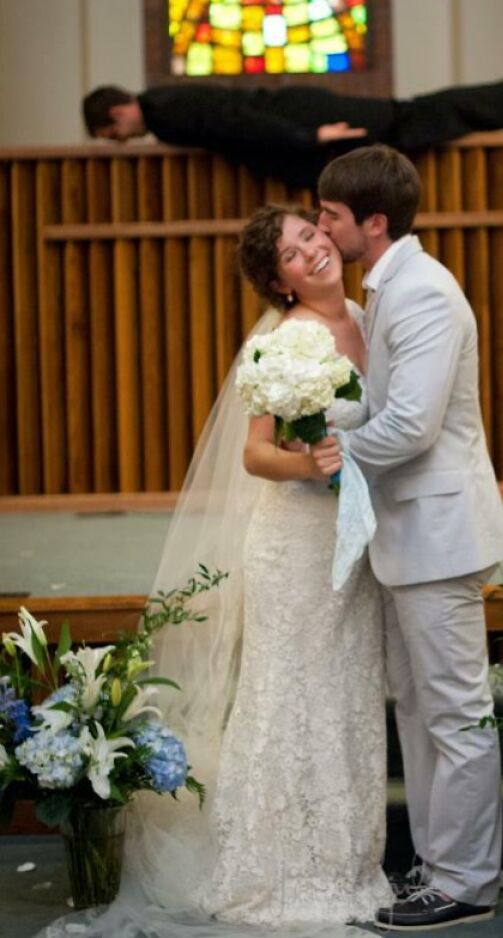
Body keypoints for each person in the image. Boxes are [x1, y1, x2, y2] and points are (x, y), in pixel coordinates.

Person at [32, 206, 392, 937]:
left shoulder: (364, 311)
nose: (313, 250)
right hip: (293, 541)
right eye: (293, 253)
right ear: (279, 282)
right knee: (291, 695)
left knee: (348, 692)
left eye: (311, 235)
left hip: (353, 540)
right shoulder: (286, 342)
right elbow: (256, 455)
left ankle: (349, 862)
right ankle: (275, 870)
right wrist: (310, 462)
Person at [311, 144, 503, 931]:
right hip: (409, 533)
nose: (324, 231)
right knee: (418, 713)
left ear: (374, 220)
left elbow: (413, 425)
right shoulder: (392, 286)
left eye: (331, 217)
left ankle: (466, 882)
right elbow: (383, 408)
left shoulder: (424, 293)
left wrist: (332, 456)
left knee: (455, 713)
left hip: (439, 533)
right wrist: (321, 422)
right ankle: (438, 866)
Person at [82, 65, 503, 188]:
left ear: (118, 114)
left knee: (408, 121)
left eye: (113, 135)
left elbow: (239, 123)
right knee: (408, 119)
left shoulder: (165, 113)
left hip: (305, 121)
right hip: (300, 118)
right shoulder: (164, 104)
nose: (121, 142)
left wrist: (310, 137)